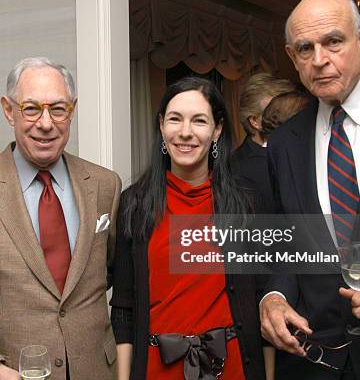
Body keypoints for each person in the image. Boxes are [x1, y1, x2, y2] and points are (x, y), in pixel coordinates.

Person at [260, 0, 360, 379]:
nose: (319, 60)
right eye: (304, 48)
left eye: (333, 41)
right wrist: (274, 297)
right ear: (292, 56)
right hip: (313, 360)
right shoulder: (284, 143)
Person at [0, 57, 122, 380]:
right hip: (10, 372)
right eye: (31, 108)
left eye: (58, 108)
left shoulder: (106, 185)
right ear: (9, 110)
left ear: (73, 110)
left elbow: (112, 276)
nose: (46, 123)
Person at [111, 76, 265, 380]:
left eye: (199, 121)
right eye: (175, 119)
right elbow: (124, 308)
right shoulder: (135, 204)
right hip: (157, 368)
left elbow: (262, 298)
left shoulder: (246, 203)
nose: (185, 132)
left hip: (231, 367)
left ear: (217, 130)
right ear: (161, 126)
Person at [231, 73, 295, 212]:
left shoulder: (303, 148)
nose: (289, 117)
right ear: (255, 121)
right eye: (277, 112)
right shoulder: (235, 170)